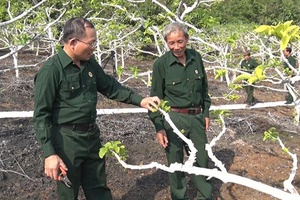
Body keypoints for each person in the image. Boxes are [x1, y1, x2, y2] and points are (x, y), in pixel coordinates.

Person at [33, 17, 160, 200]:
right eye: (91, 43)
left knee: (99, 189)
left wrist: (141, 100)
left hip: (92, 137)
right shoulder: (51, 71)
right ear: (73, 42)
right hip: (66, 141)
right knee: (68, 192)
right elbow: (41, 115)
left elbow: (110, 87)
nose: (94, 48)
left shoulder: (89, 64)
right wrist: (50, 154)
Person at [148, 22, 212, 200]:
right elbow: (155, 98)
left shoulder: (196, 57)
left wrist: (206, 112)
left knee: (202, 159)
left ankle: (204, 196)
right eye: (171, 43)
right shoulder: (161, 64)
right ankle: (179, 197)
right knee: (175, 163)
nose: (176, 47)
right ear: (166, 43)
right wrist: (159, 126)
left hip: (197, 118)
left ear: (187, 40)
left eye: (180, 42)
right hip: (174, 119)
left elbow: (204, 88)